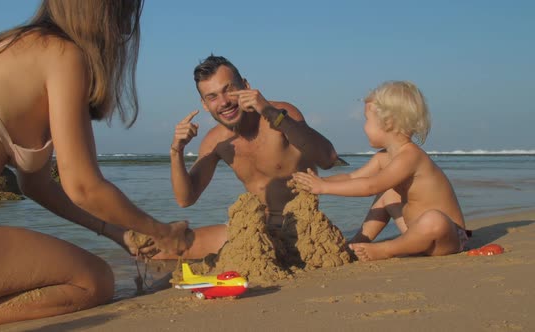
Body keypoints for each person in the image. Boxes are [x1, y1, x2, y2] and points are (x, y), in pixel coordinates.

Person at [0, 0, 190, 329]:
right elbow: (85, 187)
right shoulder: (64, 55)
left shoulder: (11, 49)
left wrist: (119, 233)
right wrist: (161, 232)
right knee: (93, 281)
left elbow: (36, 184)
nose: (127, 29)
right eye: (126, 14)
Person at [163, 55, 340, 259]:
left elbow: (328, 158)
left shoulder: (281, 114)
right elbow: (186, 199)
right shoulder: (215, 141)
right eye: (212, 97)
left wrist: (271, 113)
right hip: (256, 230)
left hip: (300, 229)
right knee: (169, 247)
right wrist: (176, 151)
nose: (223, 102)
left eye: (229, 89)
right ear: (204, 104)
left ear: (246, 86)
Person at [292, 81, 469, 262]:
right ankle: (359, 241)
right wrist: (319, 181)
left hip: (445, 237)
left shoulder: (410, 156)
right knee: (389, 194)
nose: (364, 126)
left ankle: (386, 249)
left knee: (433, 219)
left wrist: (323, 188)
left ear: (388, 123)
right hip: (413, 233)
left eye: (367, 119)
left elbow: (371, 186)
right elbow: (352, 177)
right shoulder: (382, 158)